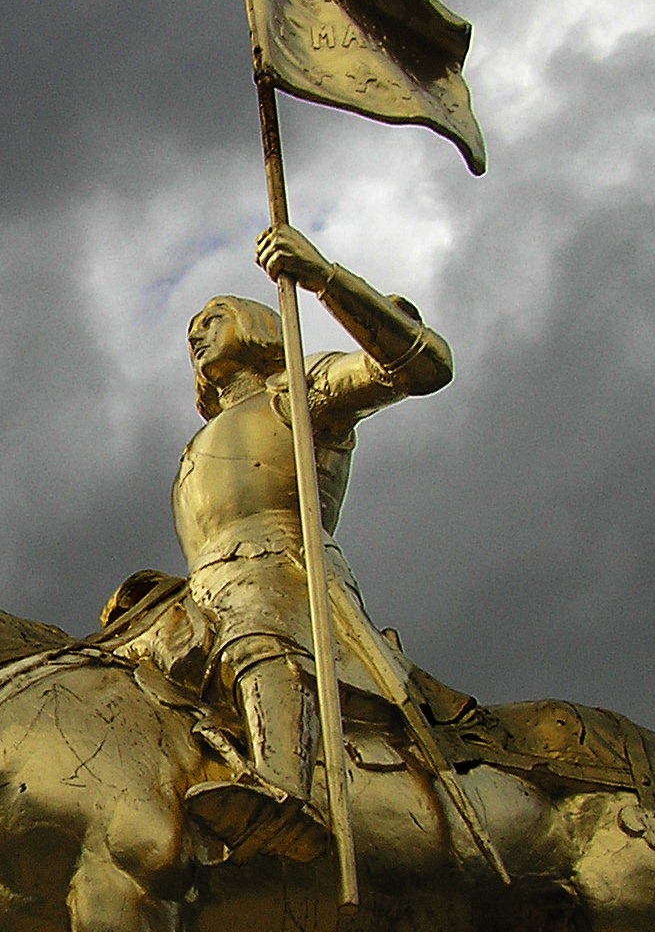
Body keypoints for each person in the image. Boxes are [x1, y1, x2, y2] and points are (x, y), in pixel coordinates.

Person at [175, 223, 451, 860]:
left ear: (257, 326)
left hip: (284, 577)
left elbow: (420, 365)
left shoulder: (294, 396)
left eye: (212, 316)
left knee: (257, 630)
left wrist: (323, 275)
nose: (195, 332)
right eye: (191, 328)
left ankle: (284, 793)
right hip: (203, 590)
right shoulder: (202, 442)